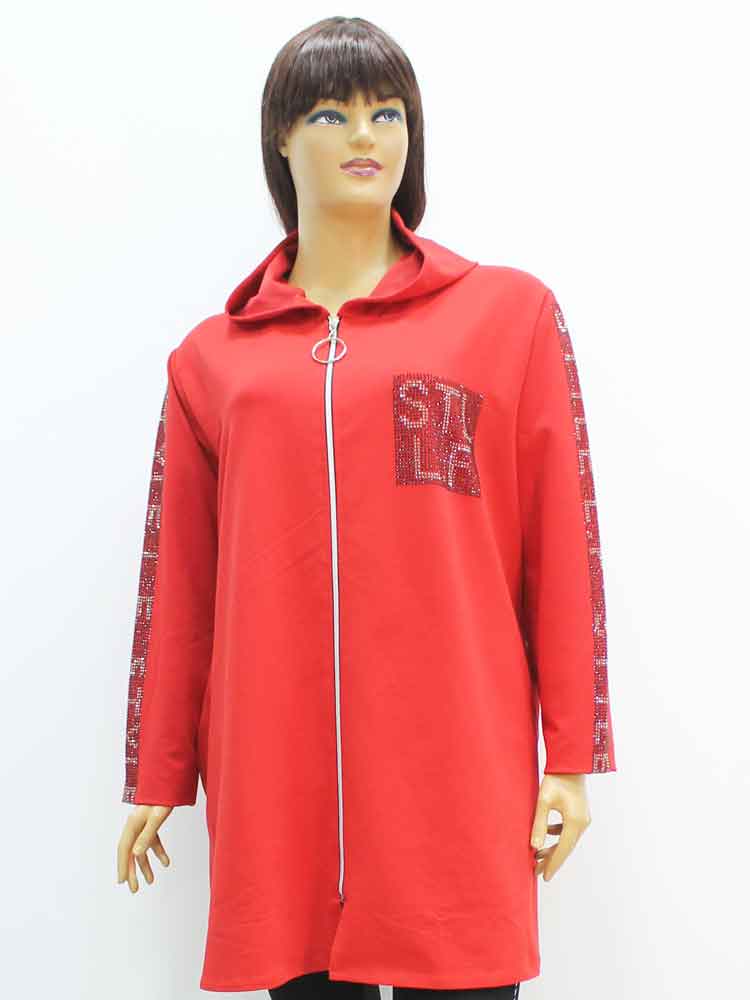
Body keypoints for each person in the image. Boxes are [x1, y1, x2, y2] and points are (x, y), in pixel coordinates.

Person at [116, 16, 616, 999]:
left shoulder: (505, 315)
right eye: (330, 113)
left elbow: (562, 541)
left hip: (458, 768)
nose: (364, 135)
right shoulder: (211, 361)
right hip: (276, 778)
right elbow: (181, 587)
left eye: (388, 113)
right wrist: (160, 774)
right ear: (281, 138)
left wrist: (571, 755)